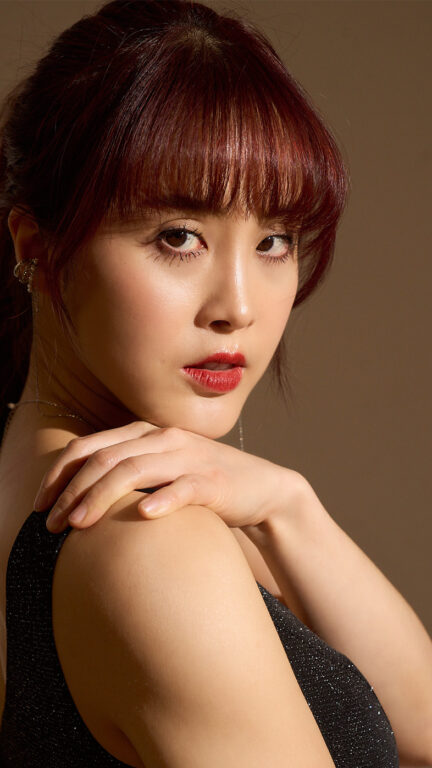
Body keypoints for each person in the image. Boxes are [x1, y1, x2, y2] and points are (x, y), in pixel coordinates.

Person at [0, 0, 431, 765]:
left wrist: (288, 506)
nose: (238, 307)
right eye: (179, 237)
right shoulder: (150, 541)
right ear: (37, 245)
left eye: (274, 241)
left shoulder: (58, 477)